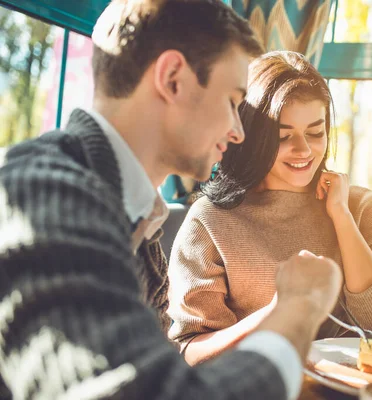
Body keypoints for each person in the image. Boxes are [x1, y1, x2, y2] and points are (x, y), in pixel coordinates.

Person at [0, 1, 343, 399]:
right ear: (173, 78)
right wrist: (297, 309)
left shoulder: (136, 218)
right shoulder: (45, 196)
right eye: (233, 102)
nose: (238, 132)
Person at [167, 51, 372, 364]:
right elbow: (191, 352)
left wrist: (342, 217)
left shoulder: (359, 205)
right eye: (284, 137)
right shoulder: (209, 221)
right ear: (253, 138)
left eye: (315, 132)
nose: (304, 149)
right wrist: (280, 310)